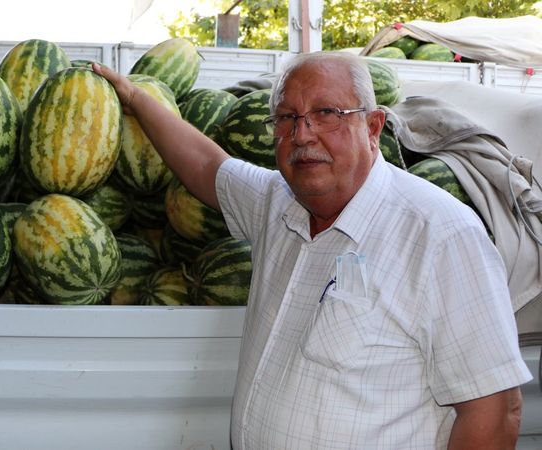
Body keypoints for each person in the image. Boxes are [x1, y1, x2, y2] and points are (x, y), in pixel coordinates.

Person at [92, 51, 533, 449]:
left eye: (327, 114)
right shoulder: (277, 203)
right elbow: (207, 165)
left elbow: (494, 413)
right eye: (286, 118)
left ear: (373, 126)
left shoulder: (440, 234)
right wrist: (137, 97)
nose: (302, 134)